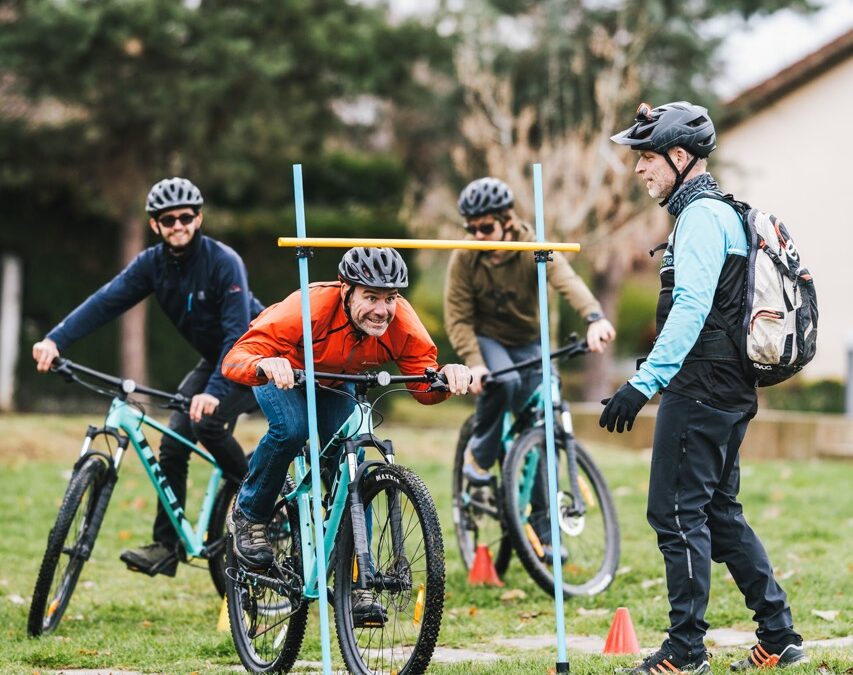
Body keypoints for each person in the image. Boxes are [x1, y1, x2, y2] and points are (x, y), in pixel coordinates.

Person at [601, 101, 807, 673]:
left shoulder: (700, 218)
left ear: (679, 155)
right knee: (718, 512)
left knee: (674, 513)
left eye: (646, 159)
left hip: (701, 388)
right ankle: (779, 633)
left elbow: (690, 309)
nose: (639, 171)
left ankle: (686, 648)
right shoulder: (717, 213)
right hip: (729, 386)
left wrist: (643, 384)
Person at [32, 177, 264, 578]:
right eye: (167, 219)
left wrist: (212, 393)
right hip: (217, 359)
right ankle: (167, 546)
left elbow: (236, 333)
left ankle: (261, 505)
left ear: (199, 218)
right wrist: (55, 340)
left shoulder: (224, 262)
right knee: (173, 444)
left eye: (186, 217)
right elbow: (106, 301)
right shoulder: (152, 265)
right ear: (155, 225)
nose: (178, 225)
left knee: (206, 419)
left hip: (257, 355)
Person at [222, 247, 470, 582]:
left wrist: (447, 379)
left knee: (352, 465)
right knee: (291, 430)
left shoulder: (402, 322)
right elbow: (236, 357)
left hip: (337, 385)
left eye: (390, 298)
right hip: (283, 374)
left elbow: (423, 382)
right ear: (346, 290)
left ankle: (358, 579)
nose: (382, 310)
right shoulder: (308, 307)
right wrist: (264, 363)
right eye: (371, 297)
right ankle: (249, 515)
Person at [444, 176, 616, 560]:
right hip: (487, 341)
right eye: (470, 229)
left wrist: (594, 317)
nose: (478, 236)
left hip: (527, 341)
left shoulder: (533, 248)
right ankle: (479, 456)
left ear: (507, 221)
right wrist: (474, 363)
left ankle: (545, 534)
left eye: (485, 228)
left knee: (539, 434)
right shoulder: (465, 257)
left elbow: (566, 279)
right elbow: (457, 318)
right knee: (502, 381)